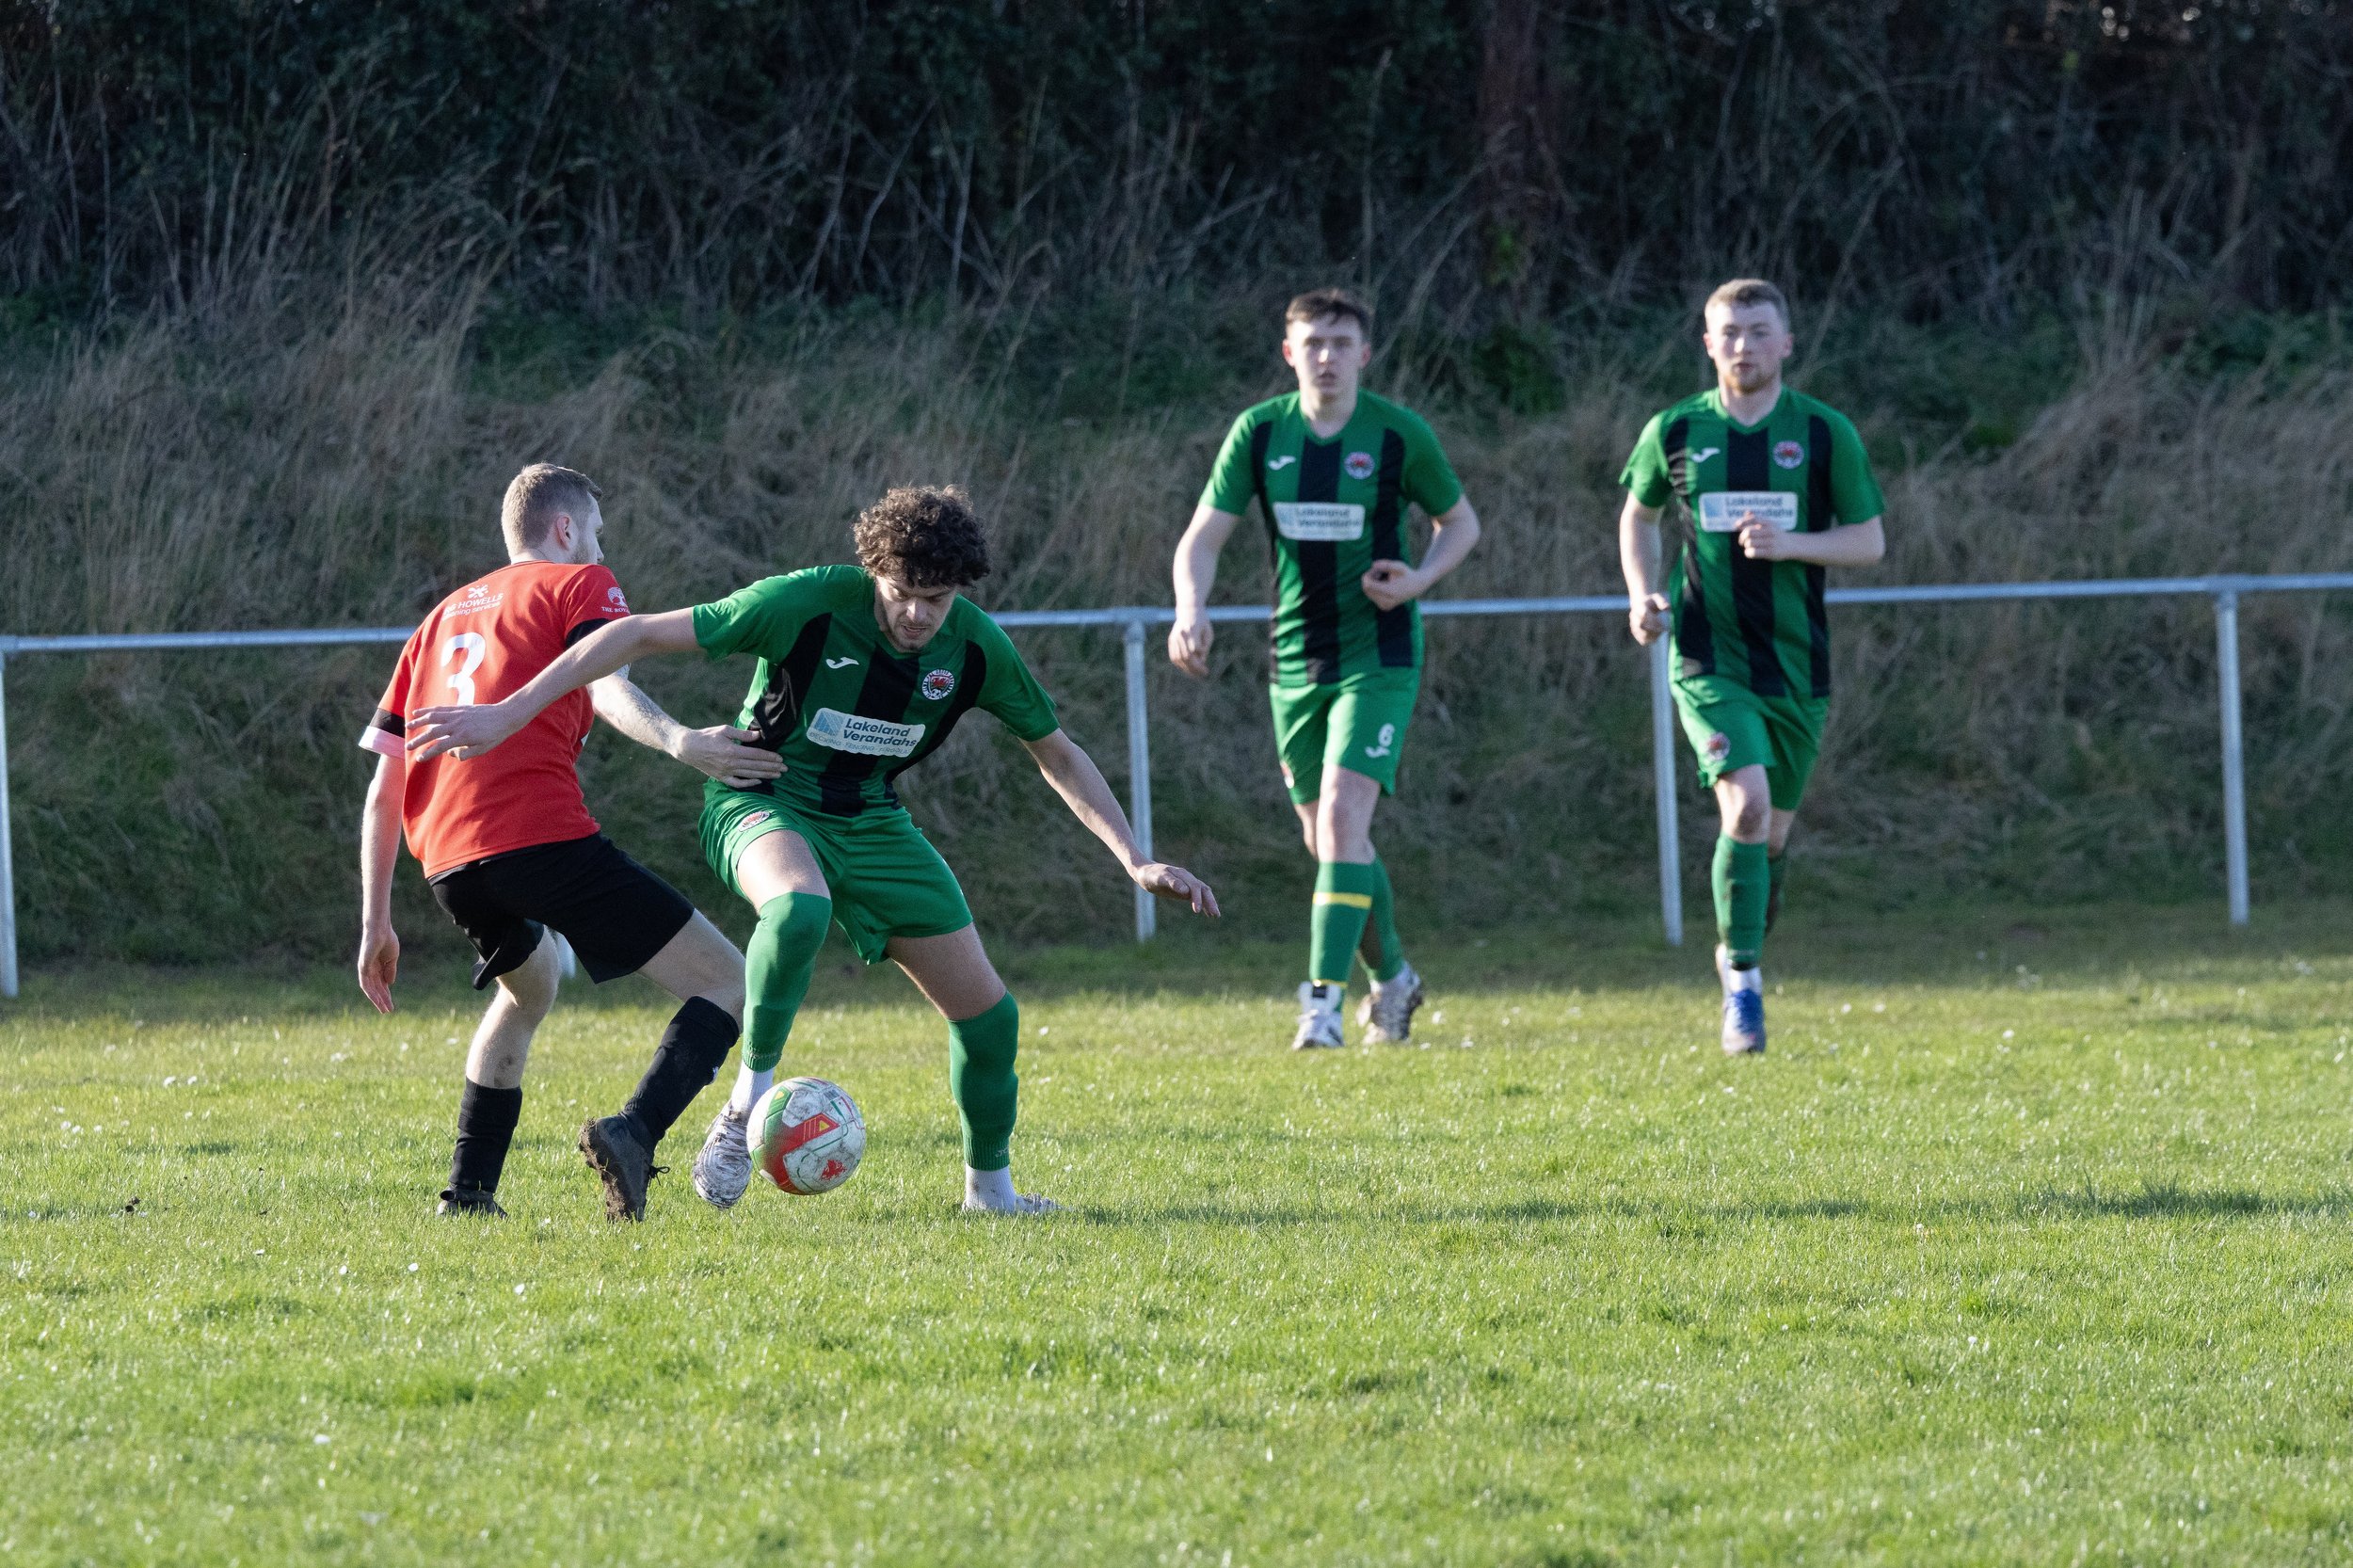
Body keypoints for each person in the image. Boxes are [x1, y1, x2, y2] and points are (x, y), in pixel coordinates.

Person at [404, 485, 1220, 1216]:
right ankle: (740, 1113)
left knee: (990, 1016)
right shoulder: (804, 603)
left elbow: (1059, 753)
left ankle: (990, 1194)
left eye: (935, 600)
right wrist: (508, 712)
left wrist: (1132, 857)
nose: (916, 617)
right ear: (874, 573)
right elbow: (630, 639)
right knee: (798, 908)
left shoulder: (973, 648)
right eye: (902, 595)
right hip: (760, 798)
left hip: (870, 821)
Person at [357, 464, 780, 1220]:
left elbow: (385, 788)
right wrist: (682, 740)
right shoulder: (577, 583)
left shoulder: (439, 619)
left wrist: (376, 922)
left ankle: (468, 1196)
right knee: (729, 982)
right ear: (564, 529)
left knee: (532, 988)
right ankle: (634, 1133)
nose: (598, 547)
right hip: (536, 840)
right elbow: (607, 680)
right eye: (595, 533)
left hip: (448, 863)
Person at [1168, 288, 1481, 1050]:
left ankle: (1321, 1006)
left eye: (1342, 344)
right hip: (1296, 660)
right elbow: (1202, 538)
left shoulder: (1398, 434)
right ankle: (1396, 979)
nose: (1328, 358)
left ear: (1365, 354)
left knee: (1343, 820)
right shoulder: (1260, 432)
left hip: (1380, 655)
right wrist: (1190, 610)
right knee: (1332, 844)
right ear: (1289, 353)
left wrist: (1415, 580)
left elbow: (1461, 524)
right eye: (1313, 344)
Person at [1616, 280, 1887, 1054]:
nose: (1743, 346)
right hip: (1706, 658)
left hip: (1797, 672)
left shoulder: (1824, 434)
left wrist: (1791, 543)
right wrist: (1642, 595)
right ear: (1708, 345)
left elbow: (1868, 540)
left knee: (1769, 845)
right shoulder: (1674, 430)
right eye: (1728, 333)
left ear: (1787, 344)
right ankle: (1743, 989)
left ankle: (1744, 940)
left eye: (1758, 332)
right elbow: (1636, 515)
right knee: (1747, 809)